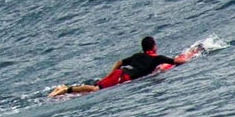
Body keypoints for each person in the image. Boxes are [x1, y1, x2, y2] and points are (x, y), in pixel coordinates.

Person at [49, 36, 190, 97]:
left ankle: (65, 88)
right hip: (122, 77)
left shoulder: (137, 55)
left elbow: (119, 62)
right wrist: (189, 59)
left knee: (97, 85)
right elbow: (175, 62)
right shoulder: (157, 58)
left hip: (119, 73)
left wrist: (111, 73)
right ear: (153, 46)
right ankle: (65, 90)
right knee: (95, 89)